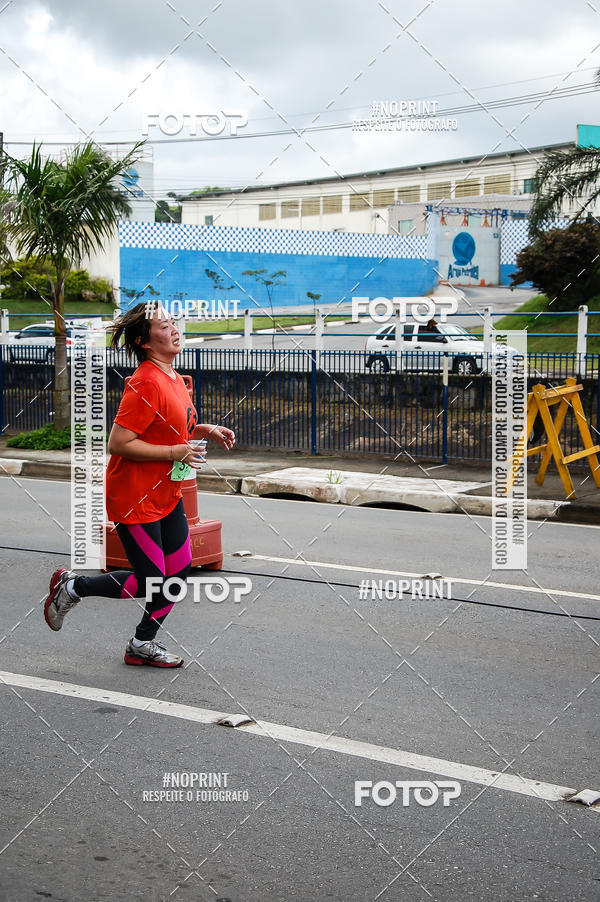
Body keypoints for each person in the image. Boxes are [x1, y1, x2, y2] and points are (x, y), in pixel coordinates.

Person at [43, 302, 235, 668]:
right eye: (165, 325)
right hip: (134, 496)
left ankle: (141, 644)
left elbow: (169, 428)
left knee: (176, 575)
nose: (175, 328)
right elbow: (119, 442)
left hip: (165, 492)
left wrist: (202, 429)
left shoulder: (173, 376)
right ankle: (72, 587)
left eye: (173, 322)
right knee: (152, 580)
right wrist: (177, 450)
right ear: (145, 342)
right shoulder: (145, 381)